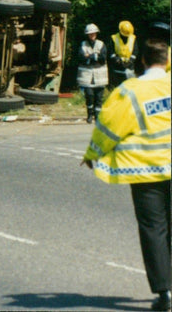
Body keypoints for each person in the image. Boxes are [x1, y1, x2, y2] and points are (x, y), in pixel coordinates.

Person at [82, 39, 171, 311]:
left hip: (146, 172)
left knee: (153, 229)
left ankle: (164, 293)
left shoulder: (130, 92)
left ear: (142, 61)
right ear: (167, 61)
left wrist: (93, 153)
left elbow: (109, 126)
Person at [78, 23, 109, 124]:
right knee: (89, 96)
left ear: (96, 33)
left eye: (93, 33)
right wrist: (95, 56)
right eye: (90, 33)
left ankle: (97, 116)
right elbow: (82, 57)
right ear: (87, 34)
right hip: (87, 76)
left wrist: (90, 56)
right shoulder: (83, 44)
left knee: (99, 97)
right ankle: (90, 114)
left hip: (100, 76)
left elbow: (103, 58)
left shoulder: (101, 44)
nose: (92, 35)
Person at [109, 20, 137, 87]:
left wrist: (130, 61)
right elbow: (111, 51)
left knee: (131, 87)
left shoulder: (133, 38)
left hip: (130, 67)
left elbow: (135, 51)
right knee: (118, 88)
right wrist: (117, 60)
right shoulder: (114, 38)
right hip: (117, 67)